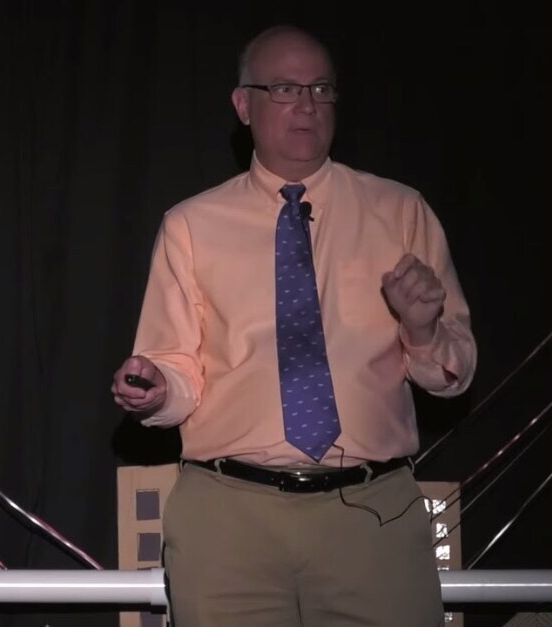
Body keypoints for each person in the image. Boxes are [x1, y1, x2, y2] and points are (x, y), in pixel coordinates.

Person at [110, 23, 477, 627]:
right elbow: (177, 370)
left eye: (321, 89)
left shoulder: (400, 211)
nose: (307, 105)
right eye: (284, 89)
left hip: (372, 514)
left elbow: (453, 373)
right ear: (243, 105)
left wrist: (421, 331)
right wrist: (153, 388)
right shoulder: (191, 225)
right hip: (229, 517)